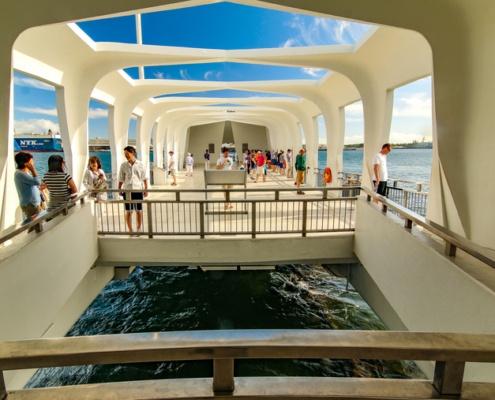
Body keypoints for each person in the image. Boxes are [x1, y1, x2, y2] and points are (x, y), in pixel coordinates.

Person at [118, 146, 149, 234]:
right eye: (125, 154)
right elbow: (121, 179)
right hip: (127, 191)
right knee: (129, 211)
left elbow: (145, 178)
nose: (126, 155)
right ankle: (130, 230)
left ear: (132, 153)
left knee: (139, 211)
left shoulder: (140, 164)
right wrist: (119, 189)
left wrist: (146, 190)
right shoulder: (123, 165)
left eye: (127, 153)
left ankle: (139, 228)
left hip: (138, 190)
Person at [14, 151, 43, 220]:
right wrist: (33, 170)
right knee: (35, 225)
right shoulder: (20, 174)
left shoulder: (25, 173)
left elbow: (33, 184)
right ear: (26, 163)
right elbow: (37, 181)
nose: (33, 163)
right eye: (31, 161)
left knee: (38, 223)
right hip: (30, 204)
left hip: (34, 203)